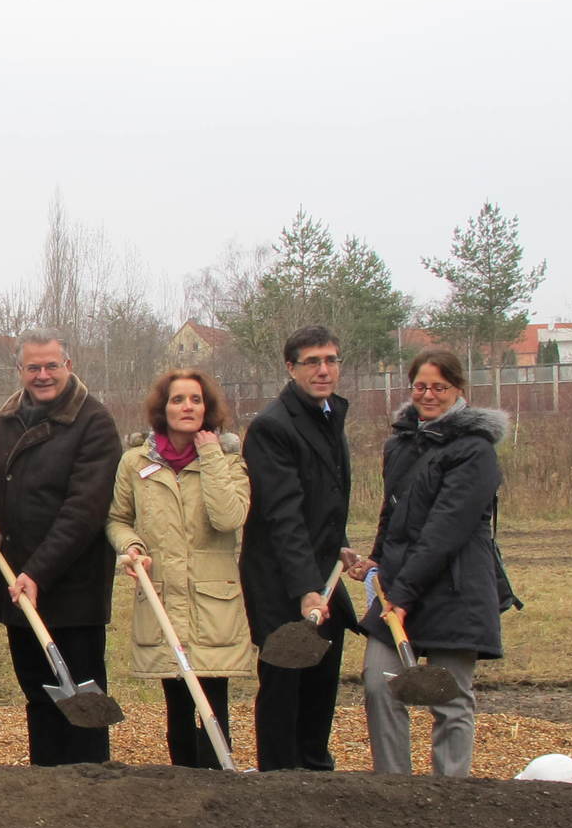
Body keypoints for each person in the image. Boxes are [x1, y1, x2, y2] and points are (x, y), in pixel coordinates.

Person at [351, 346, 515, 777]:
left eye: (439, 387)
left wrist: (401, 594)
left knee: (450, 698)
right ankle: (394, 787)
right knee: (379, 682)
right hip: (401, 588)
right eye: (421, 386)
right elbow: (393, 511)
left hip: (456, 590)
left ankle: (450, 795)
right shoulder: (401, 443)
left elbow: (446, 530)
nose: (428, 395)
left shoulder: (475, 451)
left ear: (458, 389)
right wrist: (375, 560)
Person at [0, 330, 122, 765]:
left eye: (51, 365)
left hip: (71, 588)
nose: (42, 375)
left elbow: (84, 511)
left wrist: (38, 572)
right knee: (38, 694)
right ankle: (46, 787)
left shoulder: (94, 422)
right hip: (18, 582)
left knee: (82, 703)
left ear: (68, 366)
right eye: (32, 367)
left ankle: (91, 787)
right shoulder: (5, 420)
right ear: (19, 370)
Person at [106, 368, 256, 769]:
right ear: (163, 407)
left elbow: (229, 518)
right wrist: (132, 546)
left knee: (213, 702)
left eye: (195, 399)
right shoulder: (135, 462)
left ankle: (219, 783)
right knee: (176, 705)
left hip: (213, 604)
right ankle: (183, 787)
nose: (186, 407)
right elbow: (117, 518)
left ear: (207, 408)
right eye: (177, 399)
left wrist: (209, 457)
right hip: (163, 597)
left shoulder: (227, 460)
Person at [240, 325, 360, 772]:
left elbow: (324, 501)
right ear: (291, 368)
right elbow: (283, 516)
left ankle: (314, 771)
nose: (323, 369)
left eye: (330, 360)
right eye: (312, 361)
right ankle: (279, 781)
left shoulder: (329, 414)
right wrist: (307, 589)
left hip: (321, 575)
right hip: (281, 582)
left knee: (321, 682)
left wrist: (341, 546)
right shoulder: (273, 427)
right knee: (284, 684)